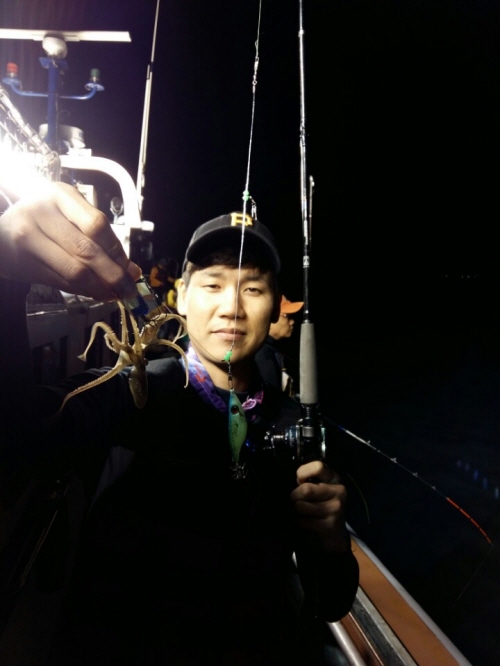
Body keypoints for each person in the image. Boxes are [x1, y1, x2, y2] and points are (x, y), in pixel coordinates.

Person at [0, 184, 359, 665]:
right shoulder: (129, 393)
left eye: (253, 288)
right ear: (182, 297)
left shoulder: (295, 429)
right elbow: (15, 437)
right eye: (212, 285)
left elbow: (329, 603)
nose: (232, 306)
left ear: (276, 306)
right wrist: (6, 279)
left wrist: (333, 542)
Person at [256, 294, 303, 394]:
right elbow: (270, 399)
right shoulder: (261, 354)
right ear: (270, 317)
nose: (292, 322)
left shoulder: (269, 349)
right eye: (287, 316)